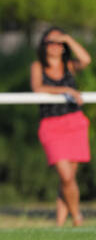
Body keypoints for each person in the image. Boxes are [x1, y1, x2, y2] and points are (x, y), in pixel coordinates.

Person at [30, 27, 91, 227]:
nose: (54, 46)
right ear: (43, 45)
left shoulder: (70, 66)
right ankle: (77, 218)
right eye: (50, 42)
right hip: (51, 125)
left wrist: (67, 38)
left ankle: (60, 222)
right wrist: (66, 89)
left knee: (68, 178)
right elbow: (38, 87)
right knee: (66, 176)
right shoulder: (38, 66)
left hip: (74, 123)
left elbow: (86, 60)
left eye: (59, 43)